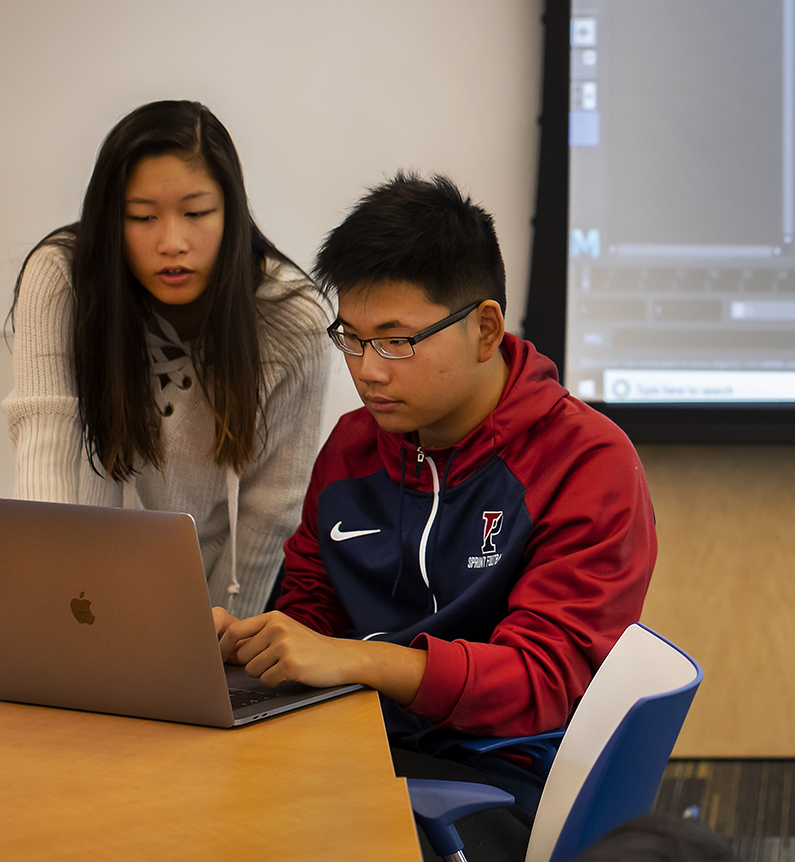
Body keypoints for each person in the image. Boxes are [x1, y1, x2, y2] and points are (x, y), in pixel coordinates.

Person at [214, 173, 657, 861]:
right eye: (351, 338)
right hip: (351, 748)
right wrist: (241, 646)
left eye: (396, 341)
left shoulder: (585, 461)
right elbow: (312, 616)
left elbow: (537, 683)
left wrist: (365, 660)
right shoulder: (353, 448)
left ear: (484, 327)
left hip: (501, 780)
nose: (368, 372)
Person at [4, 100, 331, 615]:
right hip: (86, 592)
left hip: (216, 602)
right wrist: (56, 615)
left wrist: (215, 644)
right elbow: (48, 463)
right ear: (112, 218)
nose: (172, 242)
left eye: (197, 213)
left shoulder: (292, 317)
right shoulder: (62, 280)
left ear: (232, 210)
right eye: (142, 217)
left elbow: (272, 510)